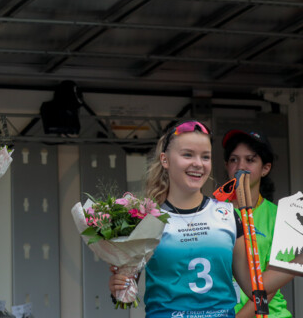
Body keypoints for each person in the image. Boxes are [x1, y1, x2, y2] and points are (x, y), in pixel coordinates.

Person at [109, 120, 298, 318]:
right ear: (165, 160)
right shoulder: (147, 219)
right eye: (187, 154)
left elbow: (255, 289)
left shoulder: (227, 215)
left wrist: (299, 261)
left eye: (205, 157)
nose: (198, 163)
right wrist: (118, 286)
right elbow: (125, 295)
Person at [222, 129, 291, 318]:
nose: (240, 166)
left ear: (265, 168)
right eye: (234, 160)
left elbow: (270, 287)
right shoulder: (212, 212)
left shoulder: (280, 217)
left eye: (250, 160)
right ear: (226, 165)